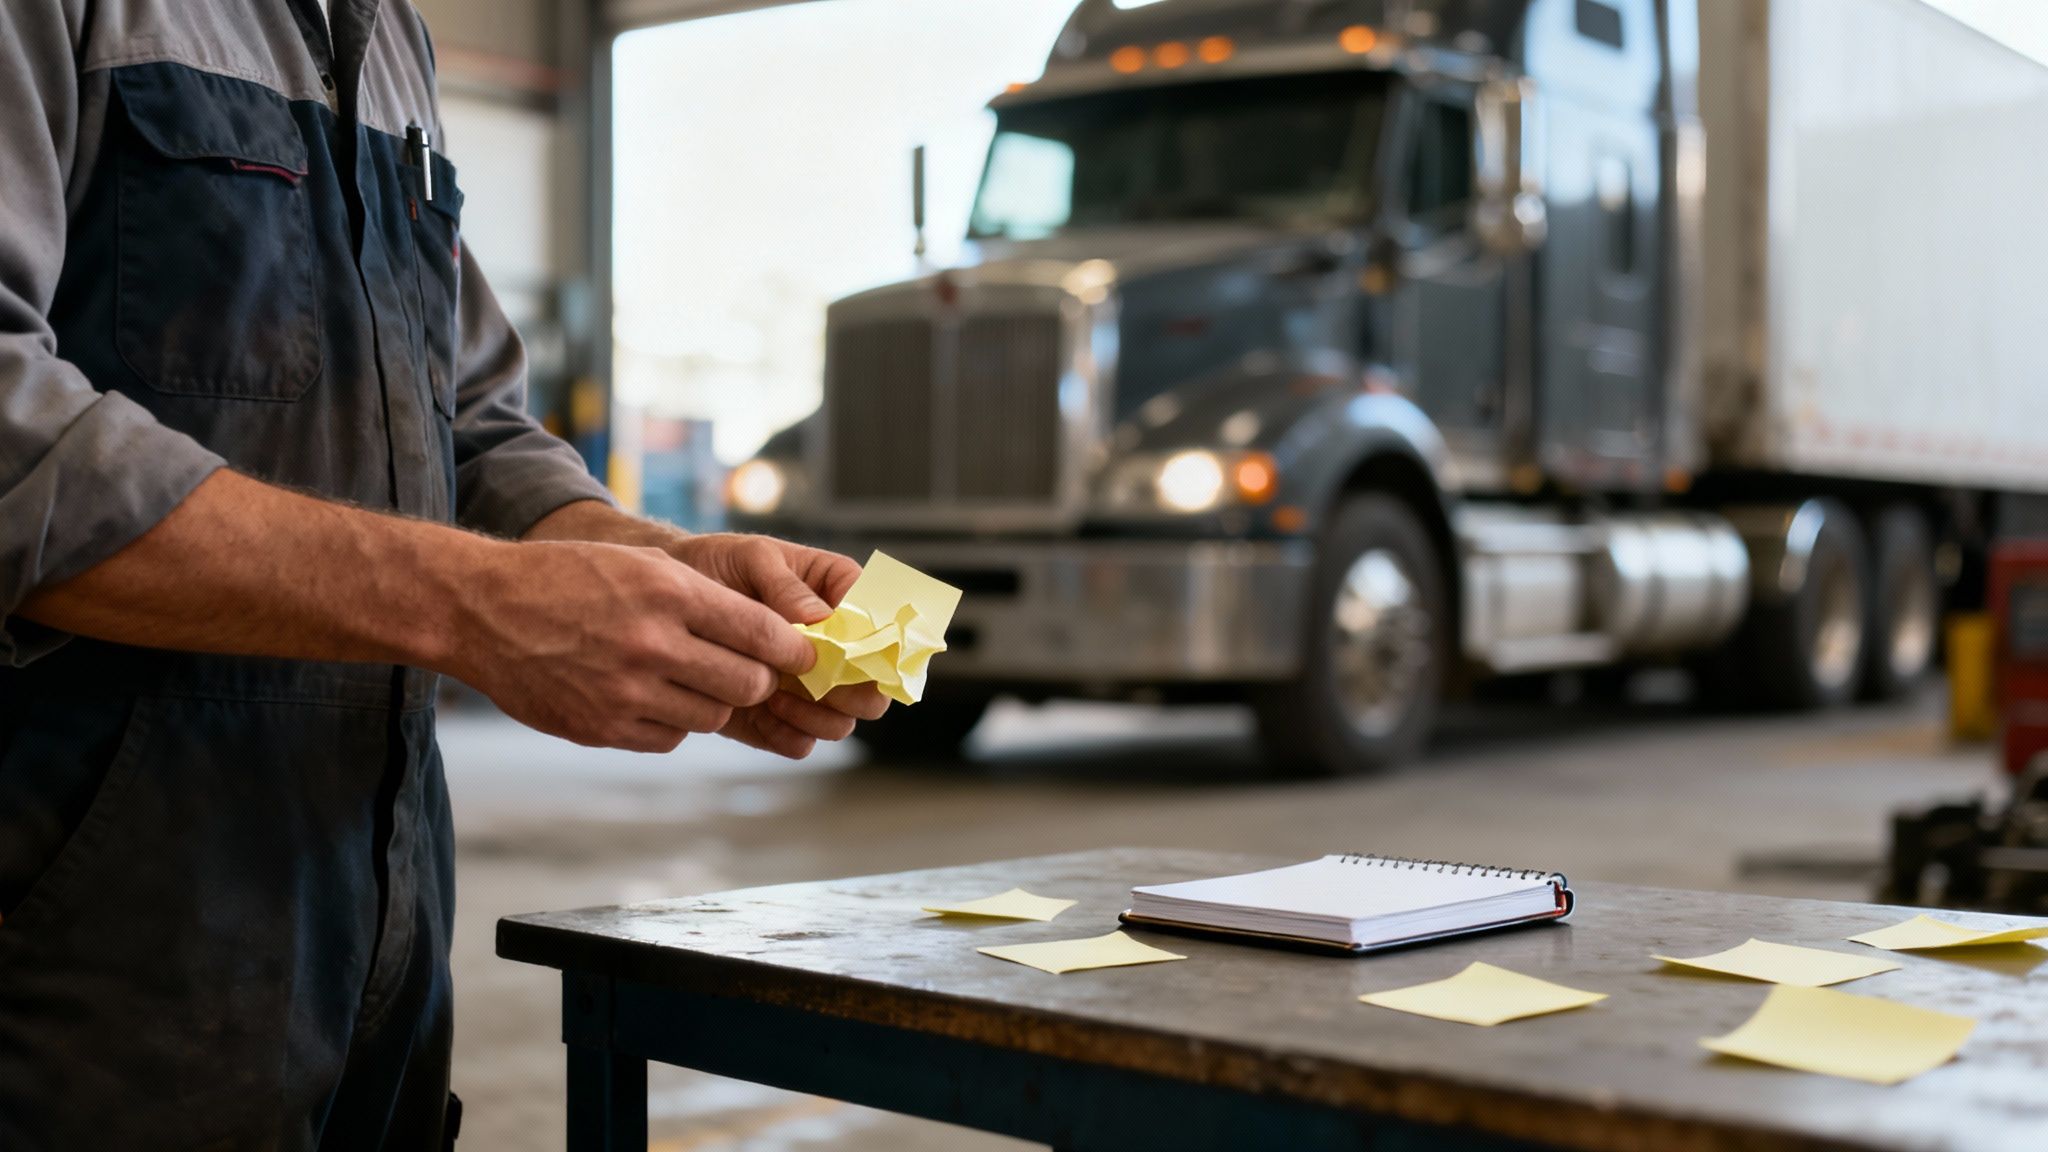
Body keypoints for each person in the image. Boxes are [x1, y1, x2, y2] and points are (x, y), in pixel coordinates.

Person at [0, 2, 886, 1147]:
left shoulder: (387, 37)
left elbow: (466, 426)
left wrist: (663, 565)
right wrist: (474, 605)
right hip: (75, 959)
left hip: (377, 954)